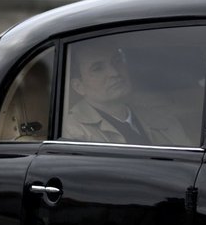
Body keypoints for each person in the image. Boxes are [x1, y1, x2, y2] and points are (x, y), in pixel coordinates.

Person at [61, 38, 190, 146]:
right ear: (78, 86)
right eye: (97, 68)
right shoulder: (72, 133)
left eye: (117, 61)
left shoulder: (160, 117)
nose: (115, 73)